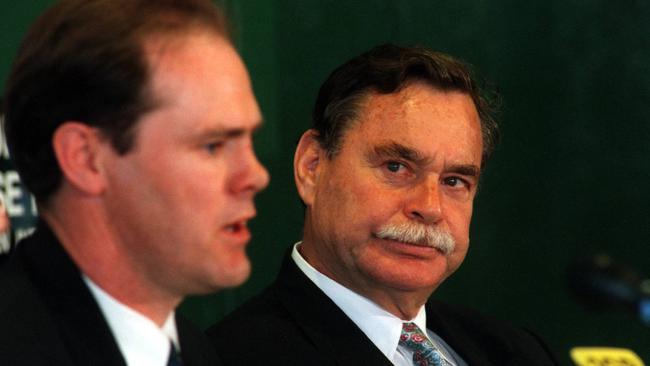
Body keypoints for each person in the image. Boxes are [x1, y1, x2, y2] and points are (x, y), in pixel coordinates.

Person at [208, 44, 558, 365]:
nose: (430, 207)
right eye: (396, 167)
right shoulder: (229, 357)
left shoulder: (519, 353)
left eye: (454, 181)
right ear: (312, 167)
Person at [0, 0, 269, 365]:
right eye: (213, 146)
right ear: (86, 159)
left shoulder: (196, 352)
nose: (255, 176)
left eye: (250, 141)